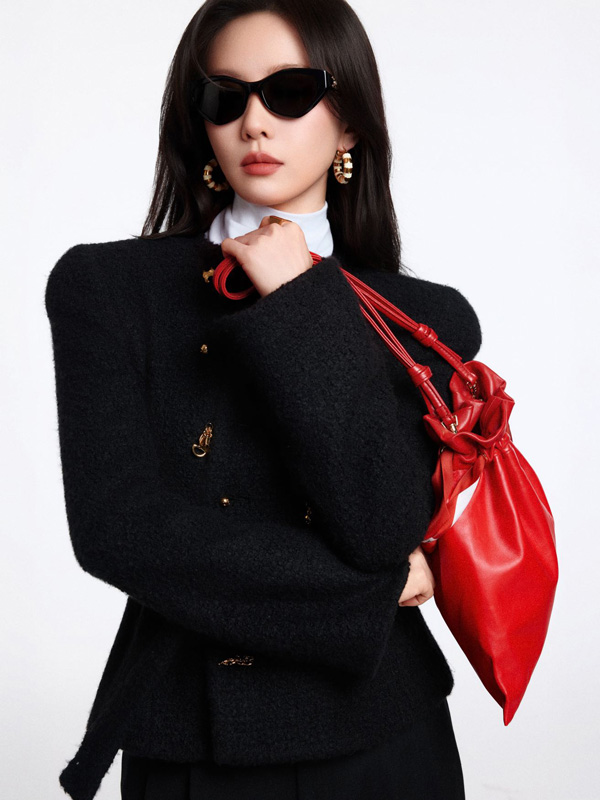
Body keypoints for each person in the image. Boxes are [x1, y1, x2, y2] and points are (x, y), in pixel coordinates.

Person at [44, 1, 482, 798]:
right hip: (191, 734)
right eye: (226, 96)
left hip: (381, 735)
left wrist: (300, 300)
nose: (254, 122)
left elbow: (382, 523)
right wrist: (371, 591)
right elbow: (119, 529)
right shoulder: (107, 289)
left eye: (290, 92)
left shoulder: (427, 320)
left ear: (350, 126)